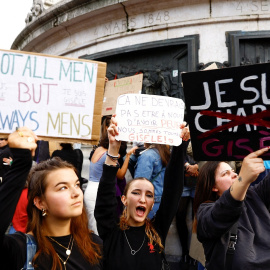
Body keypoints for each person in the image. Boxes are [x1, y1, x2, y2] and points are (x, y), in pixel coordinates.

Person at [94, 116, 190, 270]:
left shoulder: (157, 232)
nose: (143, 199)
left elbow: (172, 190)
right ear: (124, 200)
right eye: (136, 193)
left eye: (149, 195)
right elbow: (105, 195)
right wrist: (113, 148)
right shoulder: (111, 231)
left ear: (152, 205)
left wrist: (180, 145)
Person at [0, 127, 103, 270]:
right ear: (39, 202)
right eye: (63, 187)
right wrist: (21, 165)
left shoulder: (94, 245)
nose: (76, 193)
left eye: (77, 184)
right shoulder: (20, 249)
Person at [193, 147, 270, 270]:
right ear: (213, 186)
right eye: (225, 174)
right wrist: (243, 180)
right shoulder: (205, 212)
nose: (235, 175)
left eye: (233, 171)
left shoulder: (255, 195)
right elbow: (224, 210)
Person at [84, 116, 137, 234]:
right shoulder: (108, 154)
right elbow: (121, 175)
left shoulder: (98, 149)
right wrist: (127, 156)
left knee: (93, 226)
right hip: (98, 190)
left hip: (90, 189)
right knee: (99, 229)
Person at [134, 143, 170, 218]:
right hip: (160, 199)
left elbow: (139, 184)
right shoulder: (165, 152)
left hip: (148, 202)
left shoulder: (147, 156)